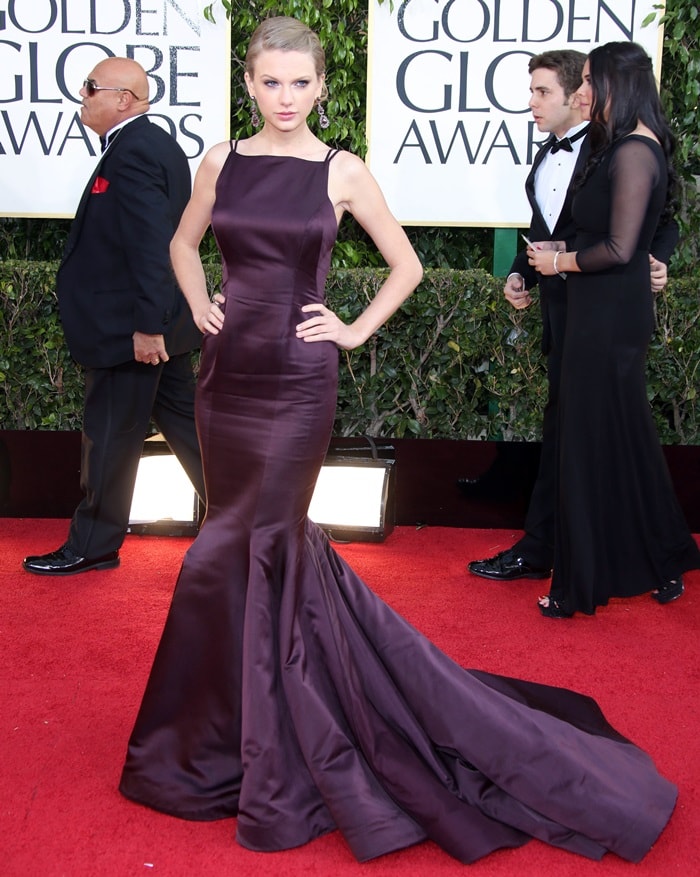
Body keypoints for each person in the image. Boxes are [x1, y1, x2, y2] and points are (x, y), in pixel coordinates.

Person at [119, 19, 676, 865]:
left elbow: (406, 266)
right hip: (225, 382)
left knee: (245, 540)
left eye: (299, 84)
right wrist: (199, 303)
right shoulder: (219, 162)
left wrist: (349, 329)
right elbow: (181, 242)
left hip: (301, 380)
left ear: (321, 88)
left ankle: (258, 737)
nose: (285, 99)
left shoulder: (343, 170)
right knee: (232, 540)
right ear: (248, 83)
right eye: (270, 83)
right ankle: (229, 720)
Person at [467, 50, 677, 583]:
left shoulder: (616, 150)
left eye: (543, 92)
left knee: (588, 436)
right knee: (570, 433)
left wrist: (657, 261)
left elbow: (658, 219)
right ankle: (580, 550)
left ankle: (575, 552)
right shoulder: (545, 157)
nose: (531, 103)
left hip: (602, 309)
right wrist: (522, 274)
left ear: (578, 95)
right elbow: (545, 227)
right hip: (566, 313)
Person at [527, 41, 700, 617]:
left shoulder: (633, 151)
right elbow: (596, 232)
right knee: (622, 438)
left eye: (589, 82)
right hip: (602, 309)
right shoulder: (621, 147)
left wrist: (561, 263)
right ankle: (664, 555)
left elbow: (622, 248)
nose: (581, 93)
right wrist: (556, 254)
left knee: (586, 441)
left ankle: (579, 585)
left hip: (606, 313)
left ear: (615, 86)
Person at [22, 58, 204, 577]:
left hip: (134, 332)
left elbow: (153, 246)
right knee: (191, 432)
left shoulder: (136, 150)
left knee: (110, 439)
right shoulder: (149, 145)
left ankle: (92, 546)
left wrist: (147, 326)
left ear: (124, 99)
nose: (82, 94)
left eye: (91, 87)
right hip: (154, 326)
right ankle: (254, 527)